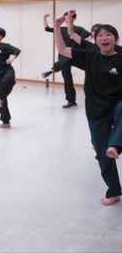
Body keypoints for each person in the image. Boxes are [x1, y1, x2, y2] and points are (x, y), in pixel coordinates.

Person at [53, 10, 122, 206]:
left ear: (115, 38)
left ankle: (115, 145)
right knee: (101, 153)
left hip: (118, 105)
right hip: (96, 109)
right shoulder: (90, 56)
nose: (104, 38)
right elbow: (63, 49)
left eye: (108, 34)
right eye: (100, 35)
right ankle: (114, 191)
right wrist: (57, 27)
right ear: (95, 39)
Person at [41, 12, 90, 108]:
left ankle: (52, 70)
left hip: (75, 55)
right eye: (65, 17)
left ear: (73, 19)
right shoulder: (60, 29)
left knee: (67, 61)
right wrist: (44, 18)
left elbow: (89, 36)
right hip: (63, 56)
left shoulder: (79, 29)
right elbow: (47, 29)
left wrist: (85, 41)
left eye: (69, 17)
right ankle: (71, 101)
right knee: (67, 78)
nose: (66, 19)